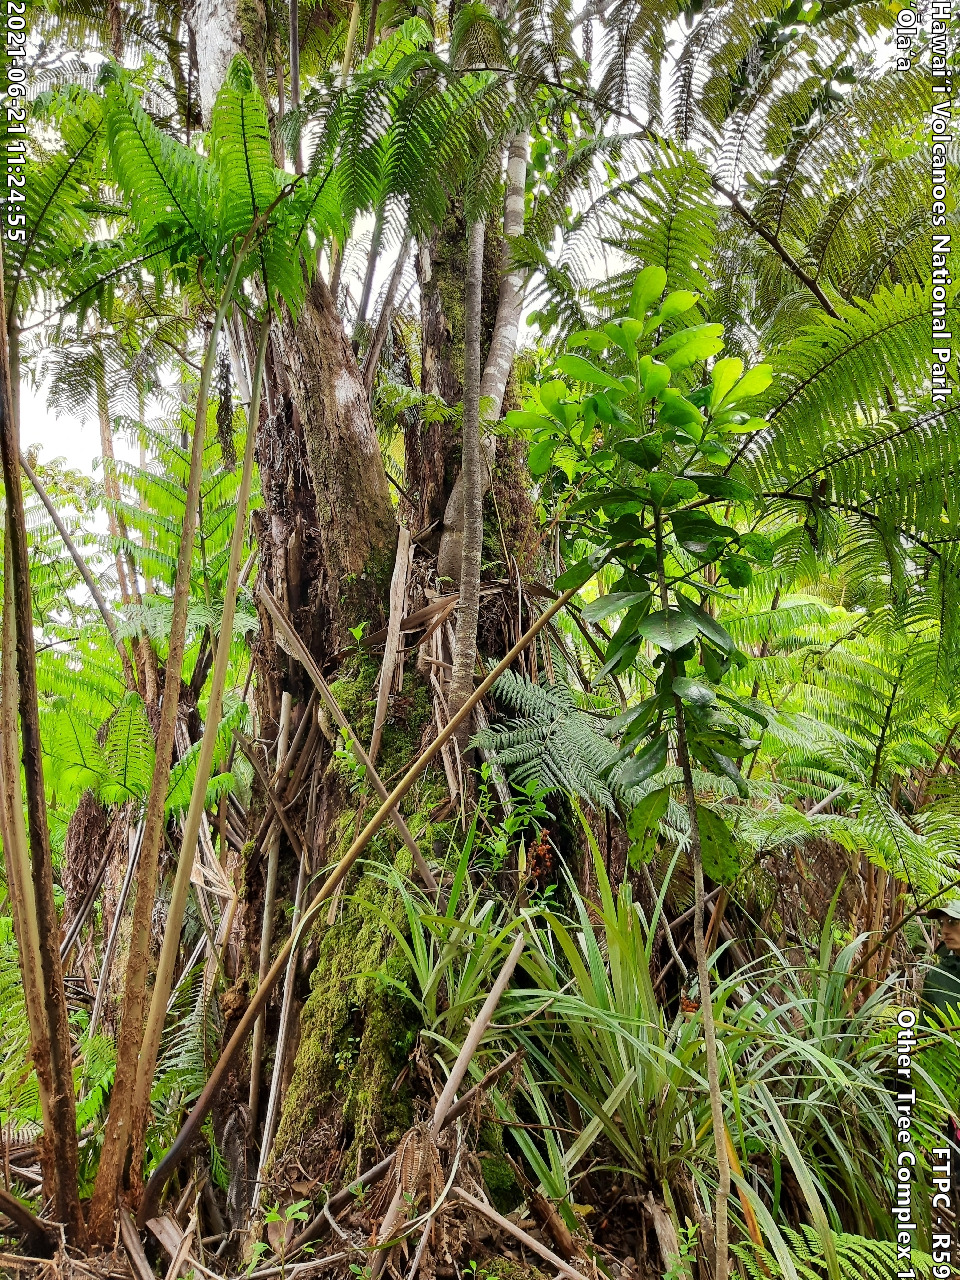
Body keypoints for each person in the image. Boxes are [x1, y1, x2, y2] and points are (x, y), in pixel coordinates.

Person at [923, 901, 960, 1016]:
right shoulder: (937, 976)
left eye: (952, 922)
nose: (944, 931)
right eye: (941, 923)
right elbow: (926, 1030)